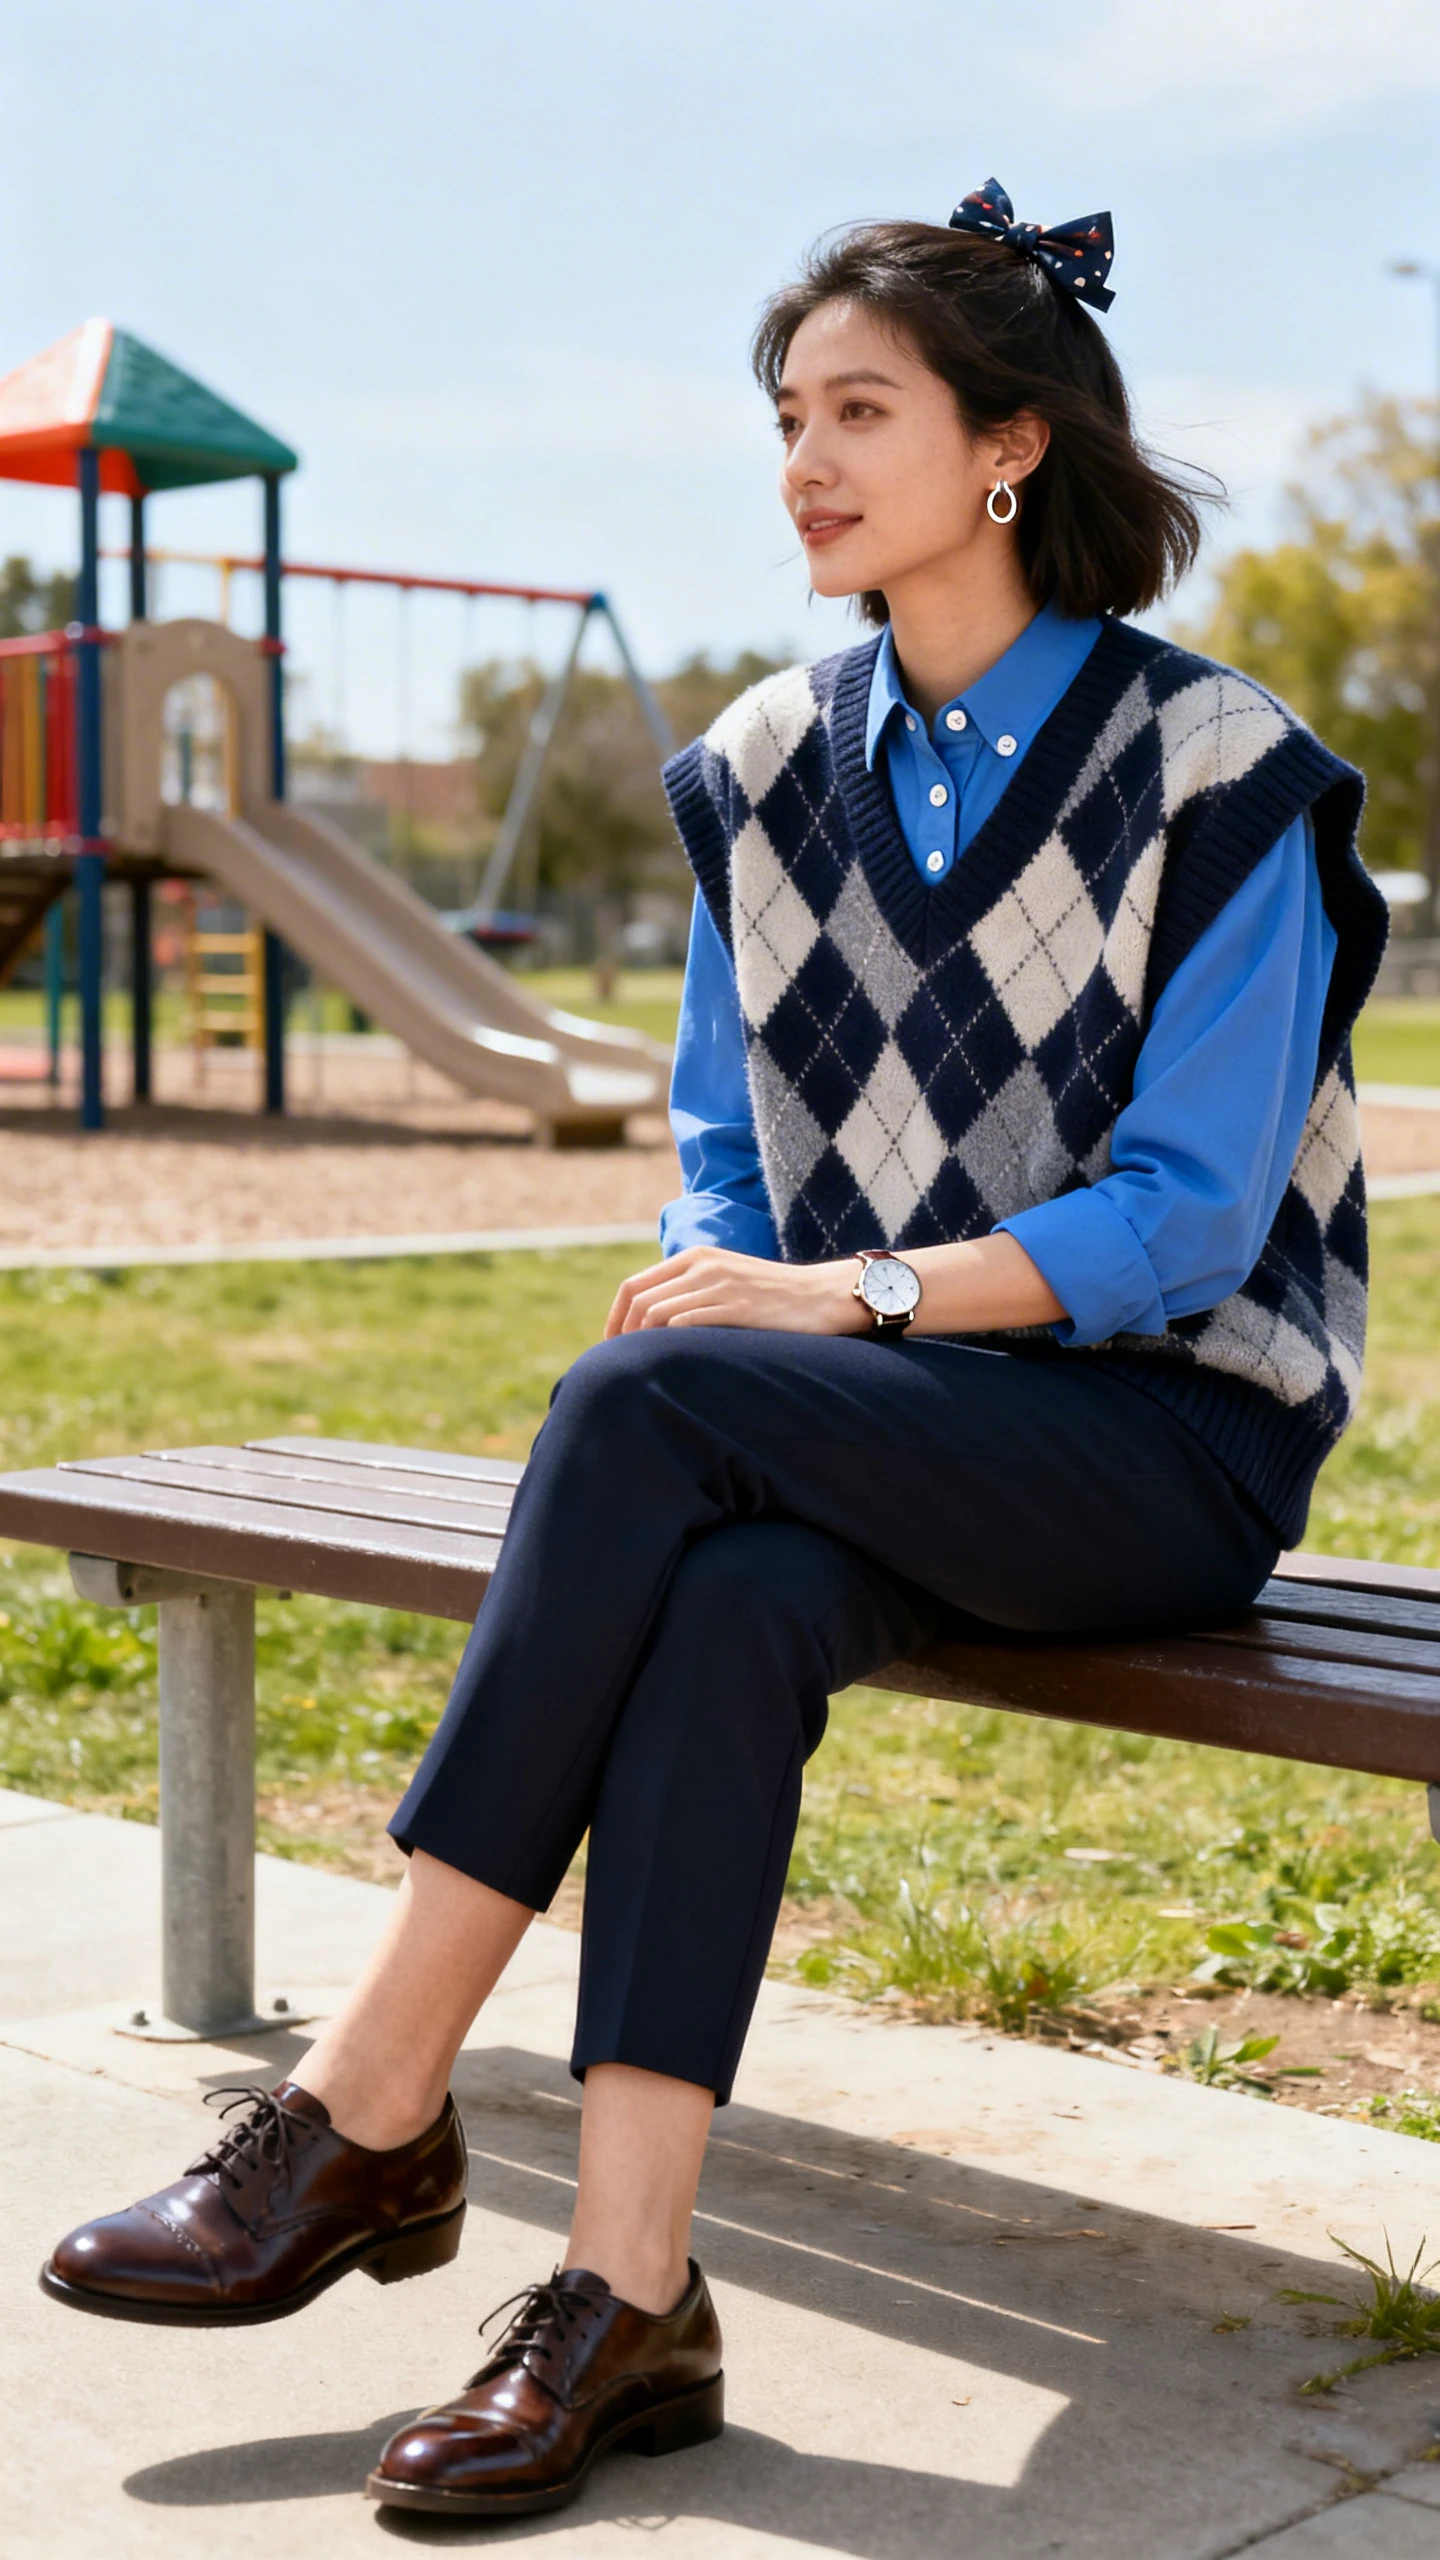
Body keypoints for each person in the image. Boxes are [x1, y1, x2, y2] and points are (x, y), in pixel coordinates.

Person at [39, 181, 1386, 2523]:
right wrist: (746, 1266)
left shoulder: (1220, 770)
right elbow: (718, 1143)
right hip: (858, 1433)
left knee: (648, 1395)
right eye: (785, 417)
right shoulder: (764, 763)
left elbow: (1187, 1220)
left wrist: (835, 1300)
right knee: (734, 1583)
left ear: (1010, 448)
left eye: (860, 409)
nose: (804, 460)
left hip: (1162, 1441)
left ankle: (366, 2108)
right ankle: (632, 2292)